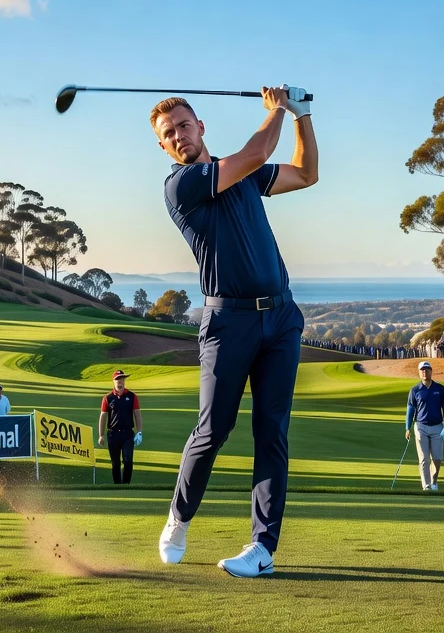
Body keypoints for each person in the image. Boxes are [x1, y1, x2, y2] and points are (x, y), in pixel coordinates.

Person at [152, 85, 317, 579]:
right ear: (163, 147)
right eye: (169, 134)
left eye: (184, 125)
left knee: (272, 433)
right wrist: (277, 109)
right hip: (228, 323)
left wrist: (301, 115)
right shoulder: (183, 185)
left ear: (200, 126)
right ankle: (179, 519)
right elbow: (257, 151)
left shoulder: (245, 175)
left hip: (282, 318)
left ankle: (263, 547)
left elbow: (306, 173)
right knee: (213, 430)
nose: (179, 136)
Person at [406, 361, 444, 491]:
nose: (425, 372)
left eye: (427, 370)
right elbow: (410, 409)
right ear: (419, 372)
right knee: (424, 458)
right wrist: (407, 428)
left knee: (437, 458)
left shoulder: (440, 389)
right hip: (420, 426)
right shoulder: (415, 390)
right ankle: (426, 486)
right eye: (422, 370)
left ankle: (434, 481)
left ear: (431, 371)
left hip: (438, 426)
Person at [98, 369, 143, 485]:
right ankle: (117, 486)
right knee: (115, 463)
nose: (120, 382)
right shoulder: (107, 398)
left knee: (128, 461)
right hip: (113, 434)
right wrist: (101, 435)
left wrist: (139, 432)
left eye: (122, 380)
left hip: (128, 434)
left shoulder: (132, 396)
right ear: (113, 381)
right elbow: (103, 416)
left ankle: (126, 485)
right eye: (118, 380)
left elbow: (137, 414)